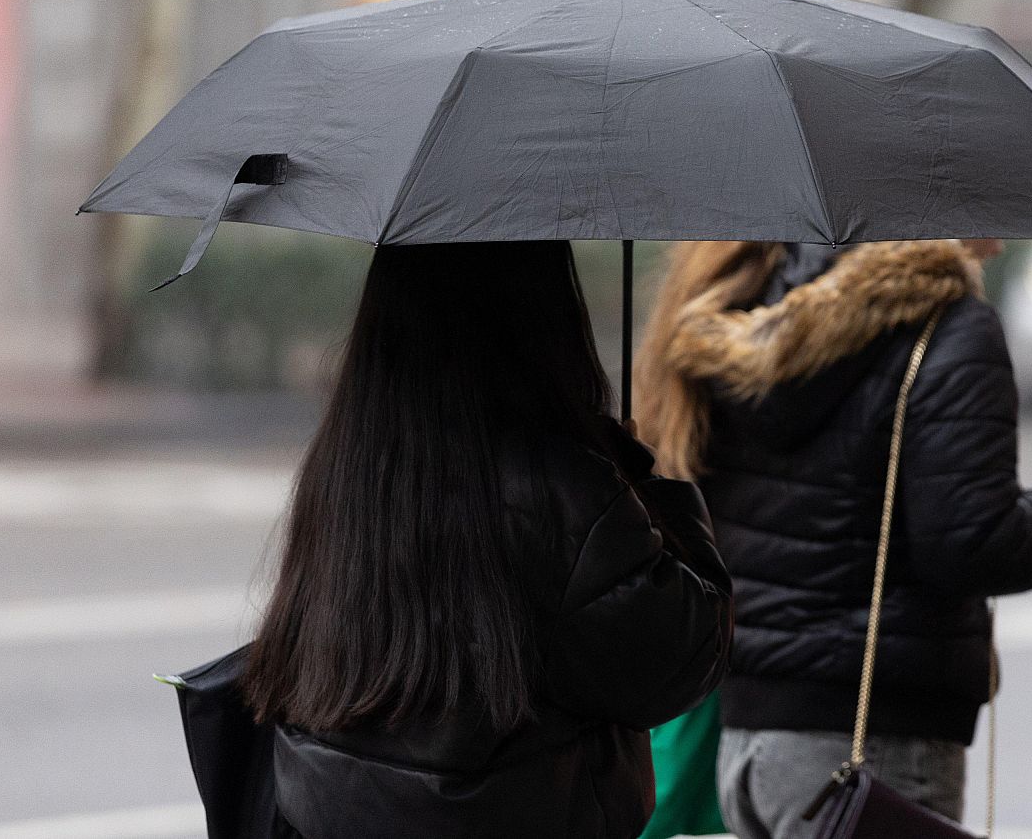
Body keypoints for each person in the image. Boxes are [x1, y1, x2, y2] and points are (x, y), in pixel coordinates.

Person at [633, 238, 1032, 838]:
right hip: (873, 746)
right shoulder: (942, 324)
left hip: (750, 745)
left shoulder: (735, 308)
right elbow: (973, 545)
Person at [242, 241, 733, 839]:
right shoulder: (560, 486)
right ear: (543, 317)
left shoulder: (347, 468)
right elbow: (679, 659)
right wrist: (646, 482)